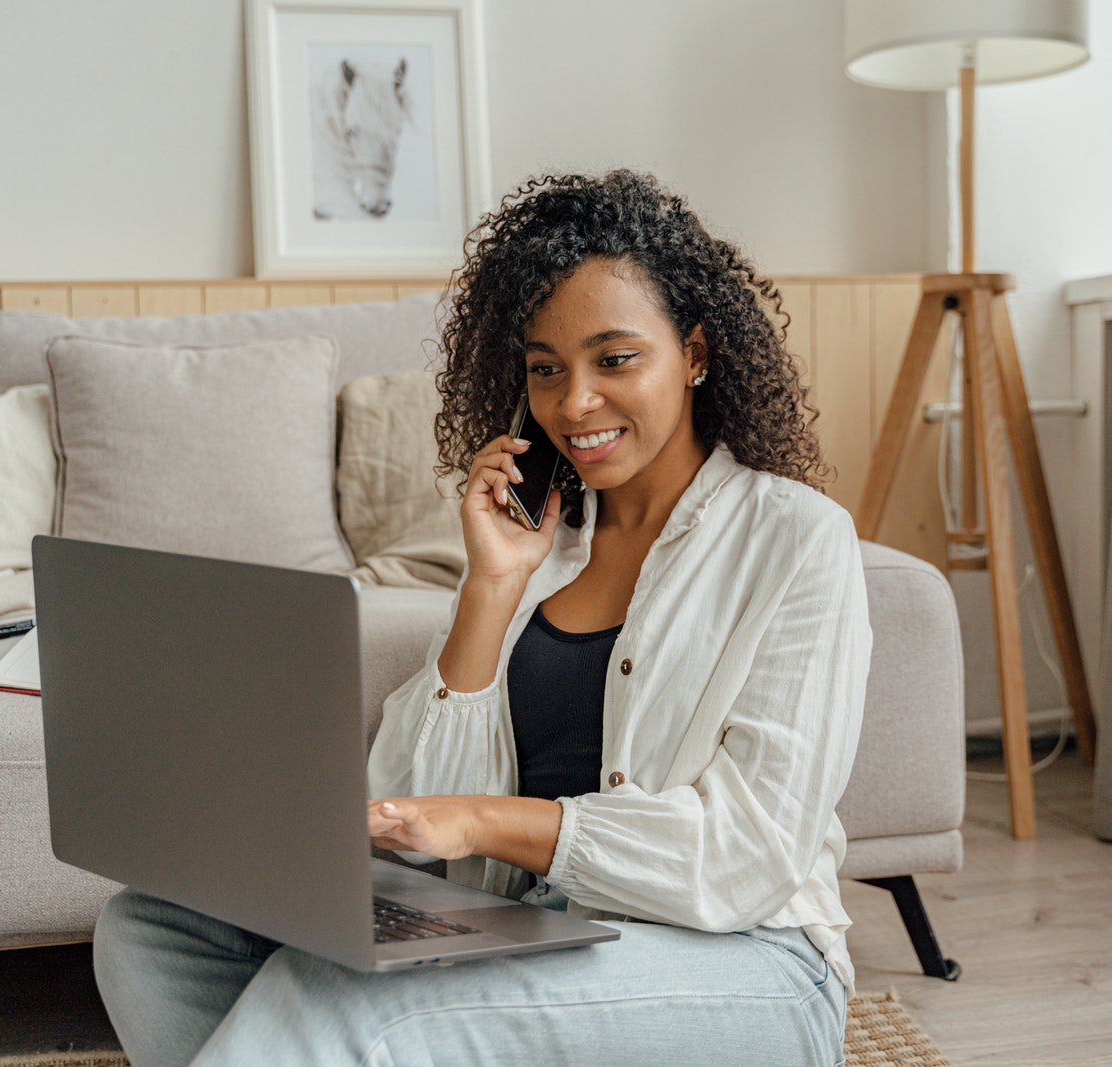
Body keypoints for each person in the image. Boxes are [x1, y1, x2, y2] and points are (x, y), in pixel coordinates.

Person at [92, 170, 872, 1066]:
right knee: (150, 929)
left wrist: (485, 820)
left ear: (694, 353)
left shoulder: (797, 540)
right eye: (547, 369)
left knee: (347, 1000)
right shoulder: (541, 546)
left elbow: (747, 853)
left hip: (749, 963)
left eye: (615, 359)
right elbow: (416, 803)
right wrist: (492, 587)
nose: (574, 404)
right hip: (543, 925)